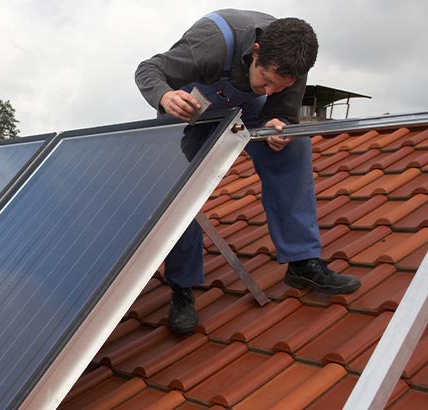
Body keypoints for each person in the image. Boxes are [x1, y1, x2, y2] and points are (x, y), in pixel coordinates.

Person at [135, 9, 361, 335]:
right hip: (188, 108)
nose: (270, 89)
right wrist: (166, 95)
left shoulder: (293, 63)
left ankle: (302, 262)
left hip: (240, 109)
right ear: (256, 53)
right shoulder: (211, 44)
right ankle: (182, 288)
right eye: (266, 79)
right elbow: (148, 69)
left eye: (279, 85)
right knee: (178, 186)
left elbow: (280, 113)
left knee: (294, 146)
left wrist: (279, 125)